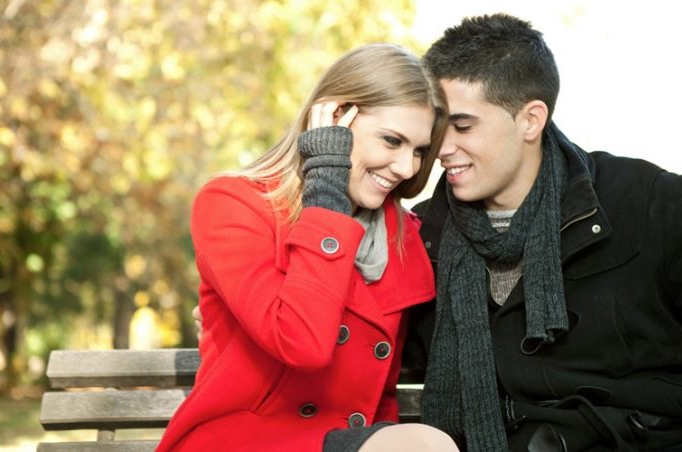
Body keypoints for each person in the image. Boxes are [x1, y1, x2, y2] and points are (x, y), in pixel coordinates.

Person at [404, 13, 682, 452]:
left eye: (464, 126)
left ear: (531, 119)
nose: (443, 148)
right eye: (437, 126)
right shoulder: (422, 234)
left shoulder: (651, 202)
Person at [157, 43, 458, 452]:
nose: (407, 168)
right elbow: (303, 343)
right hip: (241, 442)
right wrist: (327, 183)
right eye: (391, 141)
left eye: (419, 151)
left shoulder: (401, 239)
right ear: (334, 119)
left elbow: (380, 400)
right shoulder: (233, 206)